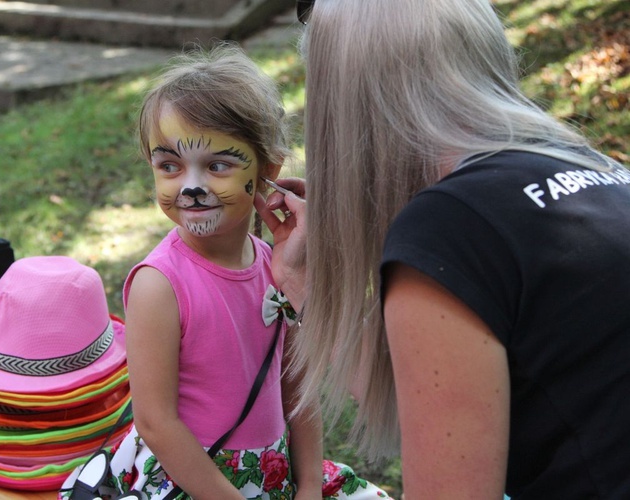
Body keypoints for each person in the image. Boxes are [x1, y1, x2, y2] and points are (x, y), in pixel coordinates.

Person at [255, 1, 630, 499]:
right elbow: (441, 402)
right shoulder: (595, 169)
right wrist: (302, 278)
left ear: (347, 100)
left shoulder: (450, 226)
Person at [119, 44, 391, 499]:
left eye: (218, 165)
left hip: (272, 472)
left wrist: (306, 486)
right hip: (194, 480)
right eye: (169, 165)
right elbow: (156, 423)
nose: (190, 187)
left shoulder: (278, 268)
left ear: (267, 170)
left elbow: (296, 390)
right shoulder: (158, 285)